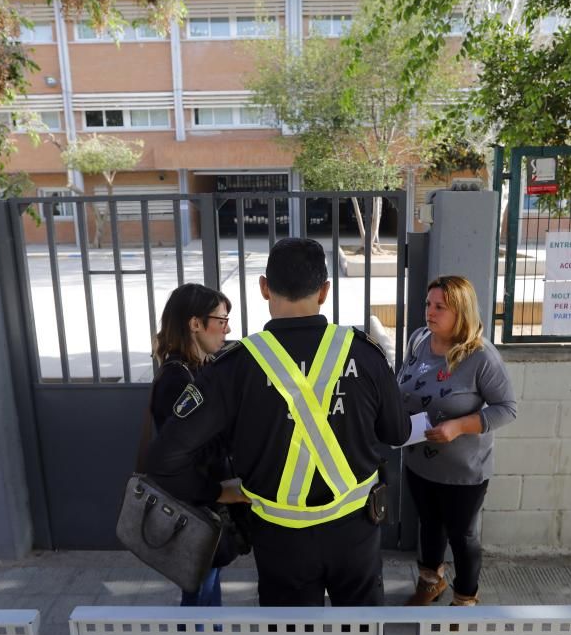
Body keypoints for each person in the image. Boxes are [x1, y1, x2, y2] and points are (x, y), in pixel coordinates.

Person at [145, 238, 411, 606]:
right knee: (362, 634)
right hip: (356, 531)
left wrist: (217, 492)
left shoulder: (233, 367)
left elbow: (162, 461)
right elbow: (398, 432)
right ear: (324, 291)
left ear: (264, 287)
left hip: (280, 540)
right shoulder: (364, 353)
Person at [399, 275, 517, 606]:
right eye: (428, 304)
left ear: (460, 312)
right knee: (429, 525)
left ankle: (465, 599)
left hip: (463, 472)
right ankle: (430, 581)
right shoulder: (419, 340)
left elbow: (507, 409)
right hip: (419, 462)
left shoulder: (480, 357)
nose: (430, 312)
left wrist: (459, 427)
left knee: (462, 537)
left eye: (440, 307)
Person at [135, 282, 235, 607]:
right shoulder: (177, 380)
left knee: (205, 586)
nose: (227, 328)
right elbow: (181, 456)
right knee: (199, 596)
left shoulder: (198, 369)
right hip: (193, 505)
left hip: (201, 503)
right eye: (220, 320)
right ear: (195, 324)